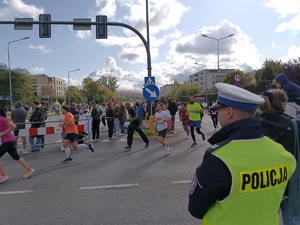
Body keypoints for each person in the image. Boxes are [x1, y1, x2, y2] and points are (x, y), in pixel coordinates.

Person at [188, 83, 296, 225]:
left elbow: (196, 208)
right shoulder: (283, 154)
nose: (217, 114)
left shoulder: (219, 158)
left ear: (229, 112)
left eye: (218, 110)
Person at [258, 89, 300, 224]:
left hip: (263, 185)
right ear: (283, 105)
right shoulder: (295, 125)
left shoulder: (254, 126)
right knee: (293, 220)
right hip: (291, 187)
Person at [0, 108, 34, 184]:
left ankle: (2, 175)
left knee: (15, 156)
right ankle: (28, 169)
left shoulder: (2, 119)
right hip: (9, 141)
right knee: (16, 156)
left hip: (7, 141)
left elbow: (14, 126)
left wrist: (4, 132)